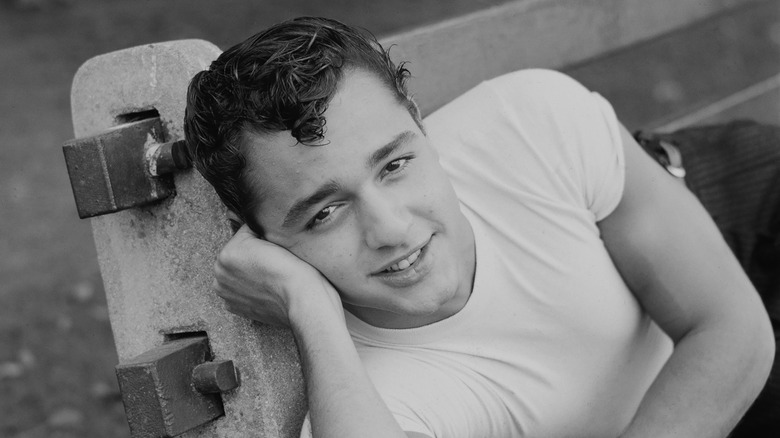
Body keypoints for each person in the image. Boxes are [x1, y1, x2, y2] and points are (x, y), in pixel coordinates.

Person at [183, 17, 774, 438]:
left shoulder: (530, 120)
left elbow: (730, 327)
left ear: (420, 124)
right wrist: (308, 308)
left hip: (717, 202)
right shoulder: (378, 394)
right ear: (258, 238)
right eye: (325, 212)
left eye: (395, 164)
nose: (392, 228)